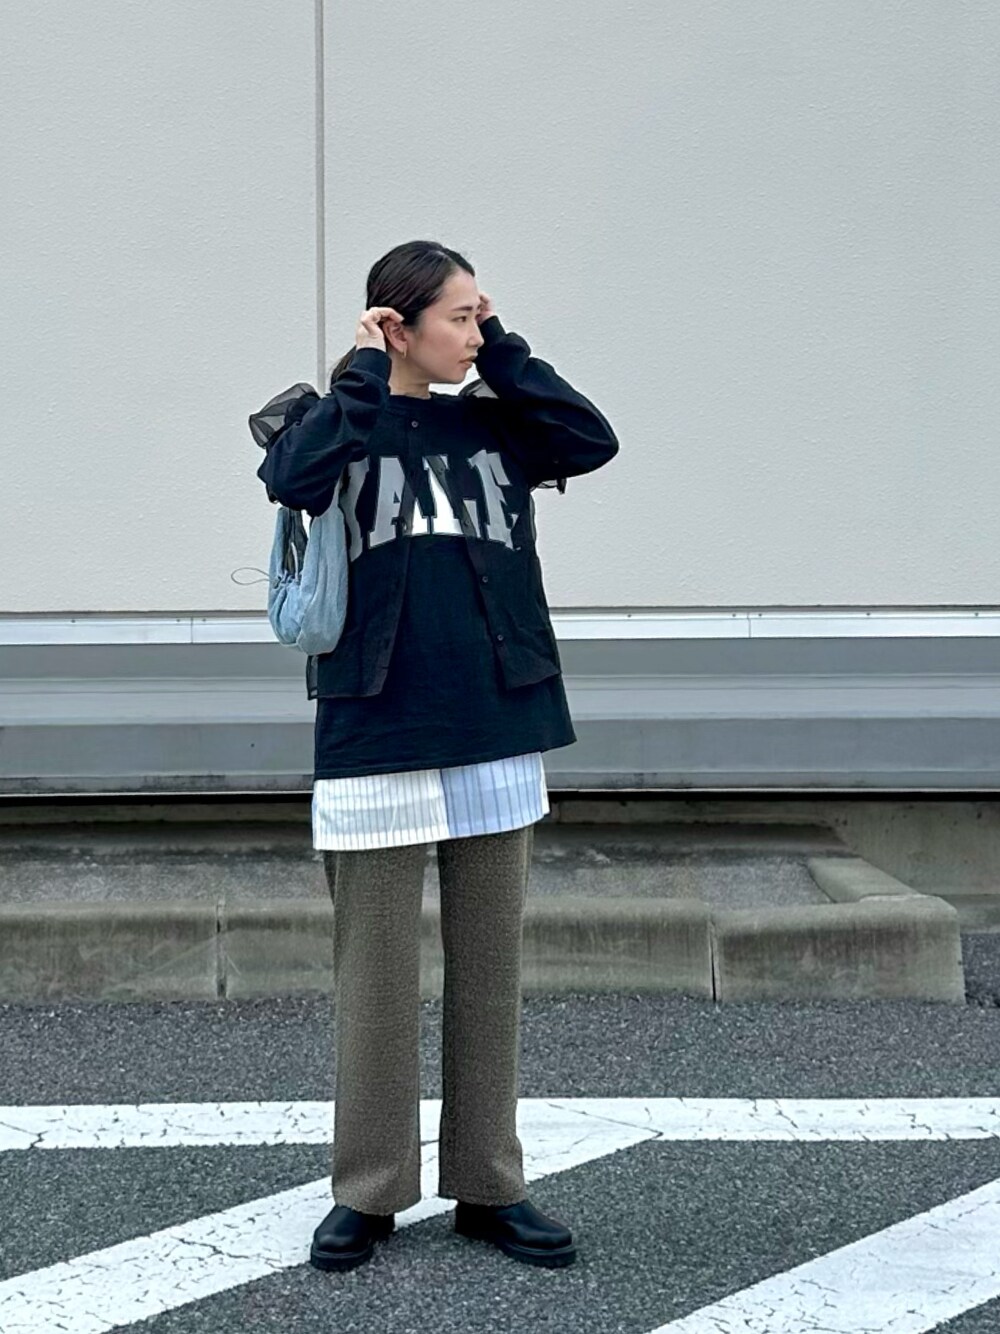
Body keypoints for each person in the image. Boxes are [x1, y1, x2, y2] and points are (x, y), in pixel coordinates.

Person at [256, 240, 620, 1273]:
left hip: (497, 716)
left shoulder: (495, 420)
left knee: (489, 971)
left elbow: (589, 439)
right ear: (396, 323)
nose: (473, 328)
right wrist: (363, 375)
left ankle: (489, 1185)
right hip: (377, 724)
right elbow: (291, 477)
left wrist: (501, 348)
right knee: (375, 978)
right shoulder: (337, 419)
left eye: (477, 313)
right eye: (458, 316)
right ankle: (368, 1192)